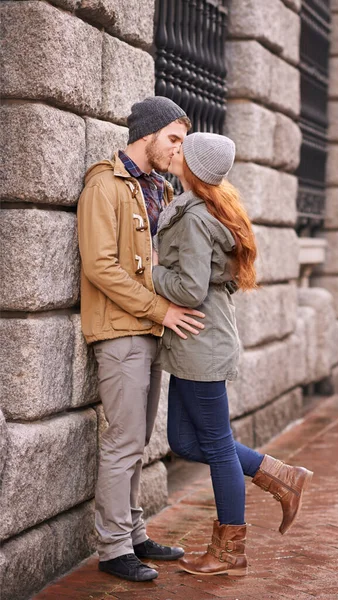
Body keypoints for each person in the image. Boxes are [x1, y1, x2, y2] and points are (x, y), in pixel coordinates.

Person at [152, 132, 313, 577]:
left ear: (195, 166)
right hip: (193, 344)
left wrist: (147, 273)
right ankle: (278, 475)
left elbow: (188, 288)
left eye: (183, 149)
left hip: (201, 343)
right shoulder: (200, 207)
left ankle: (228, 552)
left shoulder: (195, 218)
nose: (175, 152)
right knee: (186, 442)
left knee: (218, 447)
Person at [77, 97, 206, 583]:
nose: (178, 150)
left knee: (138, 442)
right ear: (147, 134)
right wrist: (162, 309)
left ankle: (133, 533)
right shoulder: (104, 183)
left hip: (151, 330)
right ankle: (113, 548)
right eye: (173, 139)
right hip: (121, 330)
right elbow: (100, 266)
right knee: (124, 441)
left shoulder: (158, 188)